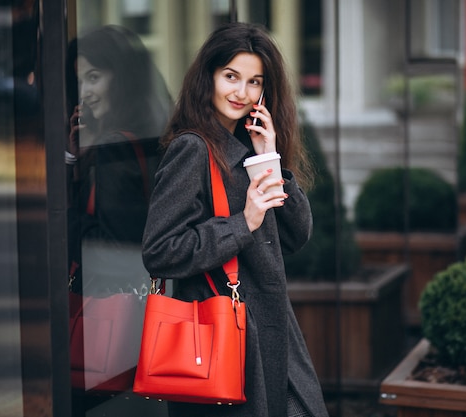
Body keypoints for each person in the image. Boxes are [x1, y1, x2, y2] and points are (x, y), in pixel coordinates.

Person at [141, 22, 329, 417]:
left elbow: (297, 236)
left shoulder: (248, 147)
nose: (241, 93)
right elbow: (160, 251)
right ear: (208, 77)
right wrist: (242, 223)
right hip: (226, 340)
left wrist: (270, 156)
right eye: (230, 76)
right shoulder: (192, 149)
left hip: (271, 336)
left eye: (254, 82)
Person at [66, 25, 172, 294]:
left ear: (122, 79)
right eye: (79, 81)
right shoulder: (152, 133)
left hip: (112, 303)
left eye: (93, 77)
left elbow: (114, 247)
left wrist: (66, 222)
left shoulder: (114, 147)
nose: (85, 92)